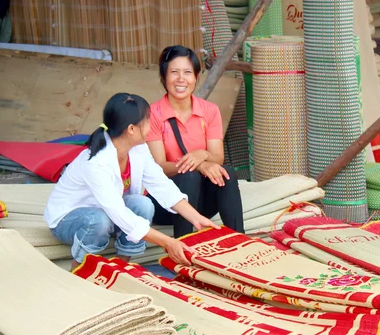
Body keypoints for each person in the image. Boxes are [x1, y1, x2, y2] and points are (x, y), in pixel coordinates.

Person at [44, 92, 220, 270]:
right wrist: (168, 242)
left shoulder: (138, 148)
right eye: (147, 121)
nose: (151, 126)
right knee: (98, 220)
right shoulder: (96, 163)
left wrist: (197, 218)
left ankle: (121, 267)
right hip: (68, 220)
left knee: (143, 204)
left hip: (105, 212)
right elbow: (118, 213)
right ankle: (78, 271)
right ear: (131, 129)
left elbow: (162, 185)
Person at [146, 45, 244, 238]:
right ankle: (183, 245)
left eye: (187, 72)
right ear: (164, 76)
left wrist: (203, 155)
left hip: (202, 204)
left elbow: (217, 157)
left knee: (226, 173)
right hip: (166, 204)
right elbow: (159, 166)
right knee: (188, 175)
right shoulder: (153, 114)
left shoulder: (209, 111)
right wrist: (196, 165)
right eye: (174, 72)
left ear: (196, 77)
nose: (181, 79)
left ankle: (240, 239)